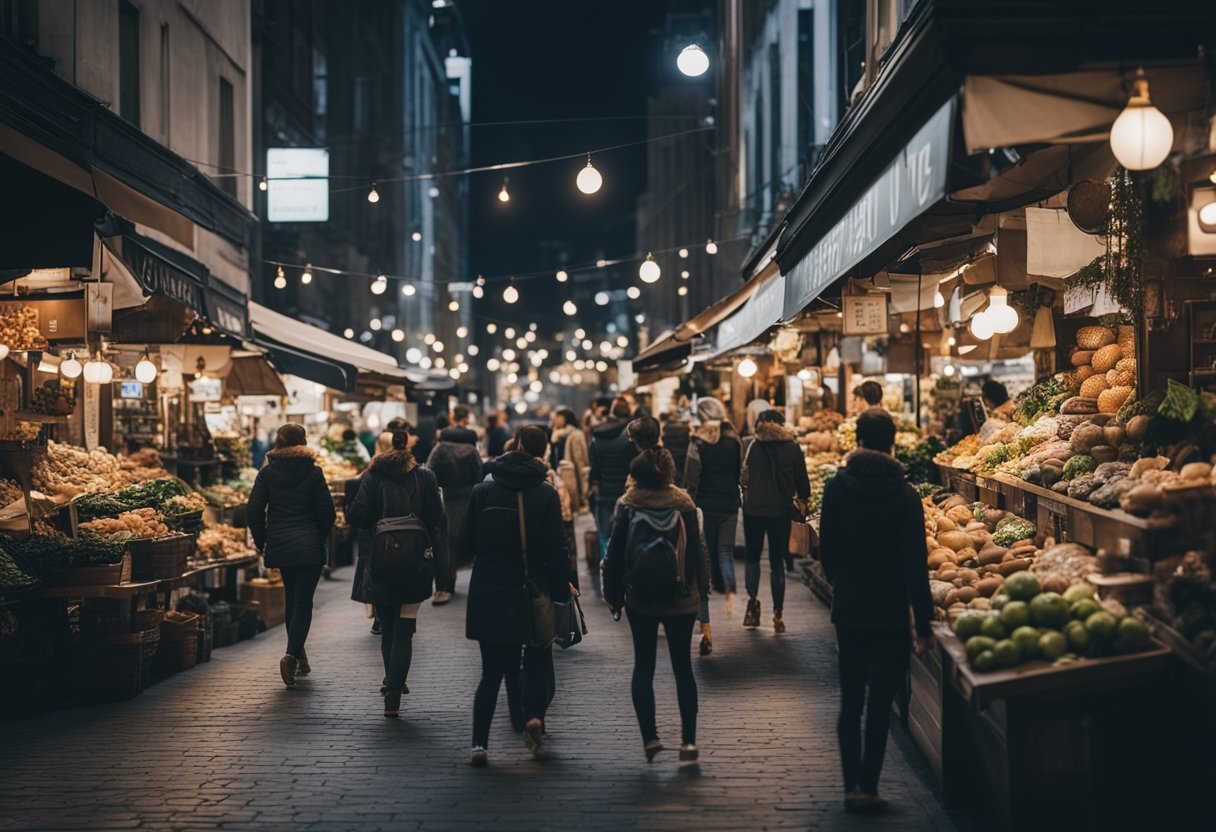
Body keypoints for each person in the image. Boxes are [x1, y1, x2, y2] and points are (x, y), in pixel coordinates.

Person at [818, 409, 934, 814]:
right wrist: (923, 621)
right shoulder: (906, 496)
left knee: (851, 702)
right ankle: (869, 785)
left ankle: (851, 788)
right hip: (890, 616)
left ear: (858, 442)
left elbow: (826, 549)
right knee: (882, 704)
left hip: (850, 610)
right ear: (892, 443)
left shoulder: (836, 488)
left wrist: (842, 584)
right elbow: (914, 565)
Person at [462, 425, 572, 767]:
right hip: (532, 588)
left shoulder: (482, 491)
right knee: (536, 662)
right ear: (541, 451)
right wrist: (561, 593)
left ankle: (479, 744)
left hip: (490, 589)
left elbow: (465, 544)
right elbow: (557, 550)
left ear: (515, 447)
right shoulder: (546, 494)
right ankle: (533, 717)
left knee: (492, 672)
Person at [603, 448, 709, 763]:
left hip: (641, 598)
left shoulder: (628, 505)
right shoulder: (685, 504)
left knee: (644, 667)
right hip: (681, 597)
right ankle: (688, 743)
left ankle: (650, 738)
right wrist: (701, 591)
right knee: (682, 669)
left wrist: (614, 596)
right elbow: (697, 552)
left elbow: (615, 555)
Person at [346, 419, 448, 718]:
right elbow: (437, 520)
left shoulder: (373, 476)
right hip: (415, 562)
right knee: (404, 628)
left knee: (387, 624)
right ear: (410, 447)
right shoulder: (426, 477)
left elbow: (357, 515)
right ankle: (394, 688)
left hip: (379, 561)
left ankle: (390, 681)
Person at [247, 424, 337, 689]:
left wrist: (263, 540)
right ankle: (290, 656)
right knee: (302, 604)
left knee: (292, 600)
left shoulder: (266, 472)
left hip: (281, 545)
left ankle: (298, 655)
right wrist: (317, 538)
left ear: (278, 442)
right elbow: (327, 513)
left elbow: (253, 511)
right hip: (308, 545)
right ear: (304, 442)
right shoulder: (313, 472)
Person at [740, 409, 810, 633]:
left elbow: (743, 476)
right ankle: (778, 614)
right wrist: (803, 500)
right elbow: (803, 482)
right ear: (782, 425)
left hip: (753, 510)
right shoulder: (792, 447)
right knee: (777, 562)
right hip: (780, 511)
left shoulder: (751, 444)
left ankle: (752, 604)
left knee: (752, 558)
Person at [684, 397, 742, 615]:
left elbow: (692, 476)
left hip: (705, 504)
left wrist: (689, 498)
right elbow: (739, 472)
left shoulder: (697, 442)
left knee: (705, 551)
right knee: (725, 550)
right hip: (729, 502)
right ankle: (730, 588)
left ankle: (704, 598)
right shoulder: (734, 439)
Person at [426, 405, 483, 604]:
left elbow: (430, 473)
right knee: (468, 539)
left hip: (447, 499)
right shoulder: (472, 450)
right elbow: (479, 475)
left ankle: (445, 586)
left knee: (446, 544)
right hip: (467, 498)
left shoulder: (439, 448)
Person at [587, 397, 638, 557]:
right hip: (626, 491)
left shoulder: (597, 436)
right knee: (627, 532)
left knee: (604, 533)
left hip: (603, 492)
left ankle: (606, 566)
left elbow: (593, 468)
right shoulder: (631, 436)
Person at [550, 407, 589, 507]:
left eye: (558, 417)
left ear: (564, 419)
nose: (554, 420)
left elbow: (580, 460)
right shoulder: (555, 434)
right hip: (558, 475)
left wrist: (583, 489)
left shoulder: (576, 434)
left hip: (570, 475)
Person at [660, 411, 691, 488]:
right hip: (683, 456)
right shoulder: (686, 428)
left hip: (671, 455)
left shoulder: (666, 427)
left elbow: (664, 441)